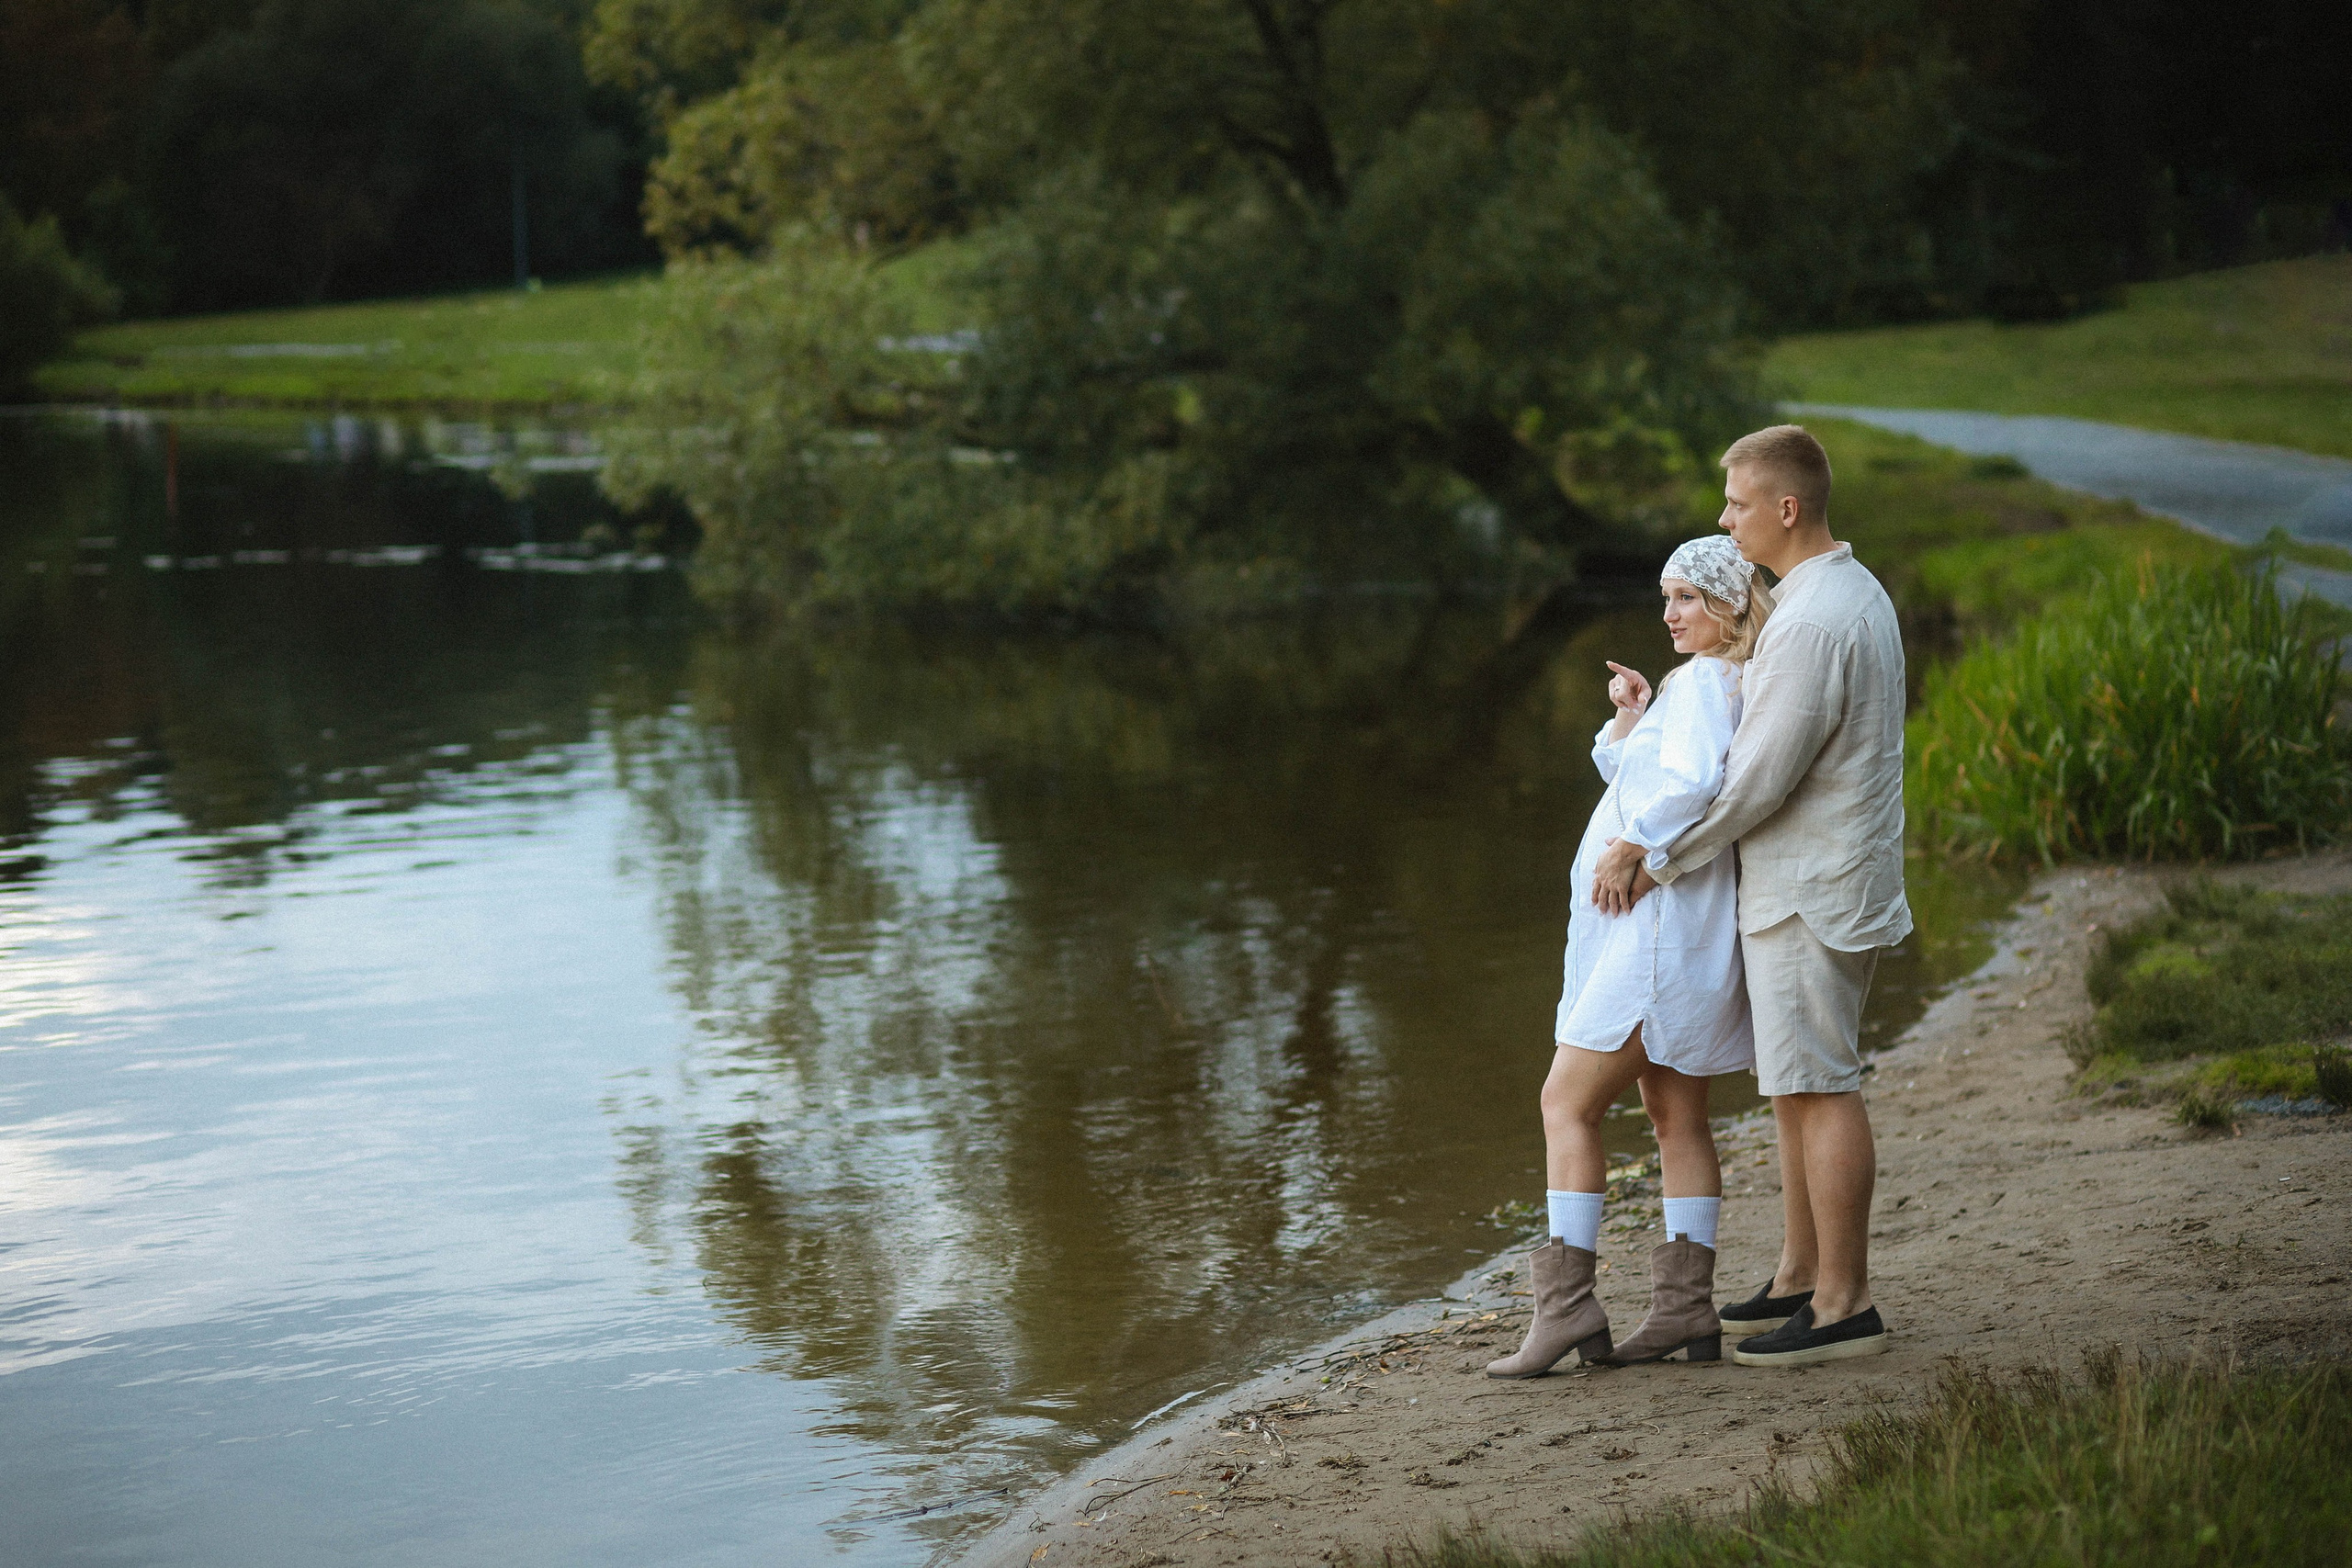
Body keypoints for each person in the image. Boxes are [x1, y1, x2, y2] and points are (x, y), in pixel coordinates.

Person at [1591, 423, 1910, 1369]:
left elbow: (1758, 780)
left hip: (1813, 888)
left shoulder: (1813, 620)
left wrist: (1659, 856)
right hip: (1801, 883)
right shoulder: (1829, 596)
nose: (1723, 520)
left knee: (1820, 1085)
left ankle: (1845, 1303)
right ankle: (1798, 1276)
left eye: (1734, 504)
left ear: (1783, 508)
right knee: (1790, 1089)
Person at [1487, 535, 1774, 1379]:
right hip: (1676, 932)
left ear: (1726, 604)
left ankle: (1567, 1307)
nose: (1669, 613)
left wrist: (1631, 847)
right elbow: (1643, 773)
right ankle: (1686, 1310)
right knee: (1675, 1115)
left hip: (1654, 937)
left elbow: (1683, 789)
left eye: (1685, 597)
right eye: (1664, 598)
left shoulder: (1703, 684)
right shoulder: (1710, 685)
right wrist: (1629, 716)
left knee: (1564, 1103)